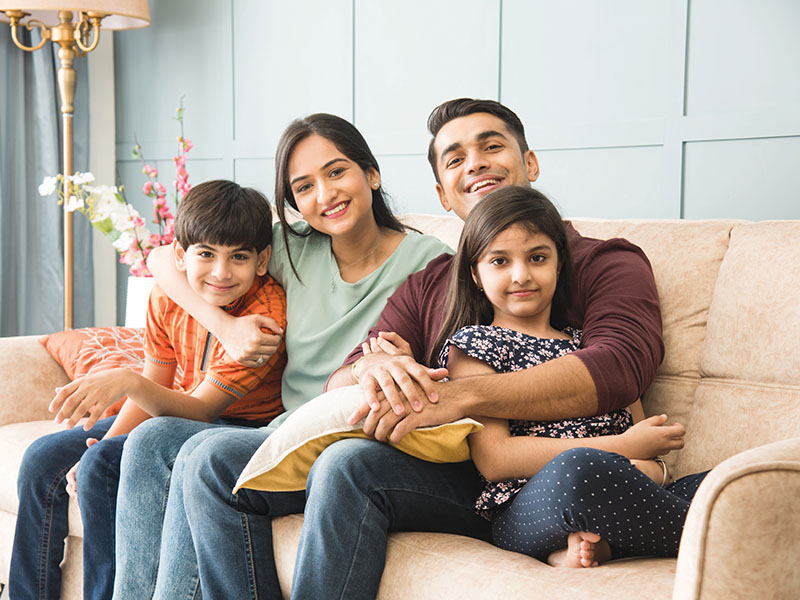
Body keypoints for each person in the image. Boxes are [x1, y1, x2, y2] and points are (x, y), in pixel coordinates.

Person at [169, 98, 665, 599]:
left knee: (347, 466)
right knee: (211, 460)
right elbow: (344, 374)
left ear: (529, 162)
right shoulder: (430, 281)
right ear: (443, 195)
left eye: (491, 146)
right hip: (443, 460)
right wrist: (375, 368)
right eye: (454, 159)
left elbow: (619, 367)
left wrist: (464, 397)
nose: (474, 163)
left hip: (508, 475)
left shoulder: (607, 263)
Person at [111, 113, 451, 599]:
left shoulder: (428, 260)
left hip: (351, 434)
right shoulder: (291, 247)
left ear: (371, 175)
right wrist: (226, 326)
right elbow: (167, 258)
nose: (325, 194)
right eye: (304, 186)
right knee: (152, 437)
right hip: (283, 430)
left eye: (336, 172)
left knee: (206, 455)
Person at [8, 179, 287, 600]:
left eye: (239, 257)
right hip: (178, 410)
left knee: (102, 466)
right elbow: (157, 382)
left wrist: (127, 386)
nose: (221, 272)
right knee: (43, 457)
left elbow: (200, 411)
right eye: (206, 254)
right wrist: (100, 441)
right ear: (182, 255)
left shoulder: (264, 318)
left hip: (237, 427)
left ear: (262, 260)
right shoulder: (167, 298)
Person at [417, 185, 707, 569]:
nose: (521, 275)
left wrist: (648, 466)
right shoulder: (475, 346)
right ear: (475, 274)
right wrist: (622, 448)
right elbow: (495, 461)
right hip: (528, 508)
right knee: (578, 471)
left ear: (558, 263)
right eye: (500, 262)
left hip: (622, 489)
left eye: (537, 257)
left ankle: (607, 541)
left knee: (735, 481)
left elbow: (648, 450)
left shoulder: (591, 349)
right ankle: (717, 531)